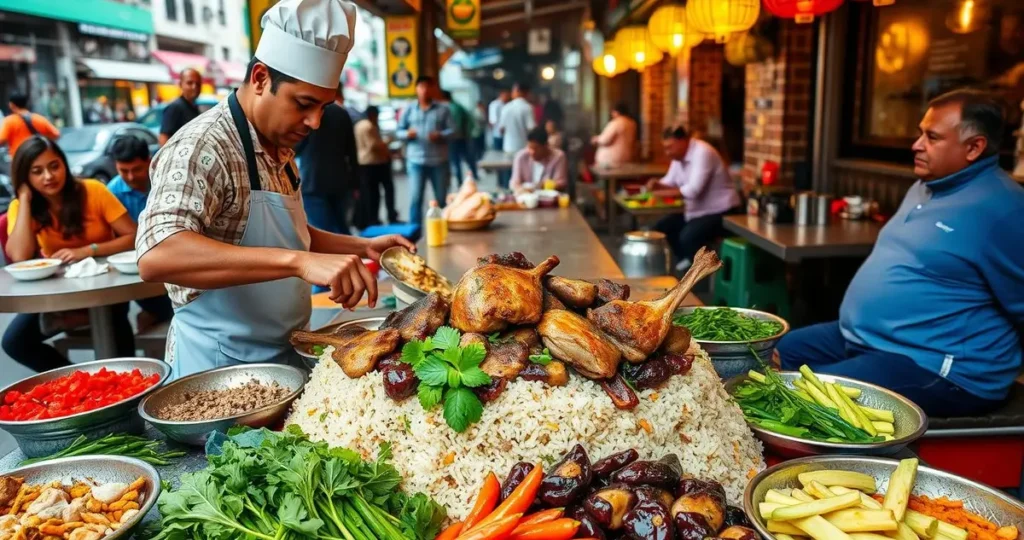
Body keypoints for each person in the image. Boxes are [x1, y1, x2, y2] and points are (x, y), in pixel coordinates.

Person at [135, 0, 414, 379]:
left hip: (282, 355)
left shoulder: (278, 146)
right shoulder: (204, 146)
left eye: (324, 107)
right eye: (304, 104)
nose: (315, 121)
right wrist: (300, 262)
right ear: (261, 78)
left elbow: (290, 235)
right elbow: (157, 255)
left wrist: (360, 247)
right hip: (219, 368)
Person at [777, 89, 1024, 418]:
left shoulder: (1003, 209)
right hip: (864, 337)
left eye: (932, 137)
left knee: (807, 401)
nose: (917, 145)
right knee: (770, 354)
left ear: (974, 147)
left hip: (934, 366)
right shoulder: (925, 185)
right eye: (920, 133)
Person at [3, 137, 138, 371]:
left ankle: (127, 392)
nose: (48, 176)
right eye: (37, 171)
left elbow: (134, 236)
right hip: (60, 297)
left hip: (108, 292)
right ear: (25, 176)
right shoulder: (23, 206)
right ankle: (83, 382)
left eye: (54, 166)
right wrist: (23, 198)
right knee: (15, 342)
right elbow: (19, 256)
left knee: (118, 343)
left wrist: (88, 251)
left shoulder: (93, 190)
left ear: (64, 165)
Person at [646, 126, 740, 270]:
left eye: (670, 147)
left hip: (723, 211)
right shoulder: (678, 157)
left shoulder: (703, 152)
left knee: (688, 236)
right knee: (662, 228)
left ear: (683, 141)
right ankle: (687, 260)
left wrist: (661, 193)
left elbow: (694, 190)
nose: (667, 152)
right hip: (696, 211)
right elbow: (669, 181)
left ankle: (704, 272)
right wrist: (656, 184)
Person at [106, 136, 175, 329]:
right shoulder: (112, 193)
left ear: (149, 160)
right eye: (123, 171)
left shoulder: (167, 181)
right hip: (135, 267)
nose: (130, 177)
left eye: (136, 169)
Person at [296, 86, 359, 236]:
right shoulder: (342, 113)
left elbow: (296, 147)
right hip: (340, 181)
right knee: (341, 229)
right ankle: (350, 256)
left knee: (323, 232)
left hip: (313, 182)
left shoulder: (308, 113)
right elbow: (352, 152)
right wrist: (355, 183)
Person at [396, 75, 453, 224]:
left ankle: (443, 228)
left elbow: (453, 131)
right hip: (416, 161)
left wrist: (440, 135)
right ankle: (414, 235)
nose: (425, 90)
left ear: (433, 89)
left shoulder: (443, 109)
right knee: (416, 199)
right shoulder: (409, 109)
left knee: (441, 198)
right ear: (416, 89)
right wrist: (407, 134)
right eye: (421, 87)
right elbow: (399, 131)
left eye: (428, 87)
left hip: (438, 161)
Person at [354, 105, 399, 225]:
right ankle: (389, 216)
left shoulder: (358, 125)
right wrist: (387, 142)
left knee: (371, 193)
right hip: (376, 163)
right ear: (373, 115)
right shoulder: (369, 126)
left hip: (363, 163)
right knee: (385, 190)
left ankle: (372, 218)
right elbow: (374, 146)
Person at [498, 82, 537, 190]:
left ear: (519, 92)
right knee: (523, 180)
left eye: (513, 91)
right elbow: (532, 129)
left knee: (509, 179)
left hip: (508, 148)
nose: (512, 93)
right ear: (527, 93)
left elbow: (501, 129)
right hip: (524, 148)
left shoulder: (506, 107)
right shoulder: (528, 108)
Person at [0, 93, 60, 158]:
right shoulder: (39, 118)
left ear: (11, 105)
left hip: (19, 159)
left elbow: (1, 140)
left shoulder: (9, 121)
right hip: (38, 156)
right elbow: (56, 134)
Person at [510, 127, 568, 191]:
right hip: (525, 198)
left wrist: (541, 185)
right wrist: (521, 189)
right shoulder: (521, 157)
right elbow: (514, 183)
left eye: (536, 149)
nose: (532, 152)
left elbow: (561, 183)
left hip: (548, 199)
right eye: (530, 148)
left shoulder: (558, 157)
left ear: (546, 145)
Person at [158, 68, 203, 145]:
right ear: (180, 84)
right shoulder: (175, 107)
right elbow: (163, 138)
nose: (194, 87)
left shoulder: (194, 107)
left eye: (198, 84)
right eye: (189, 83)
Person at [442, 90, 477, 184]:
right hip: (462, 137)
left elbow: (455, 127)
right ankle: (473, 176)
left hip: (456, 139)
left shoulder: (451, 108)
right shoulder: (456, 105)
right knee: (467, 158)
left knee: (456, 161)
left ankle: (461, 182)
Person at [592, 102, 637, 167]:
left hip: (611, 160)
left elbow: (605, 140)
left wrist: (596, 139)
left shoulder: (615, 123)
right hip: (626, 158)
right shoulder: (632, 123)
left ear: (616, 112)